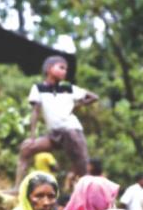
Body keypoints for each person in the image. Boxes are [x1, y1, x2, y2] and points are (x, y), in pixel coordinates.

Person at [8, 55, 98, 194]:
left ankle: (89, 194)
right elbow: (35, 112)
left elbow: (93, 97)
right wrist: (32, 137)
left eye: (66, 69)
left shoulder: (68, 88)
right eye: (61, 68)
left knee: (82, 166)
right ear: (49, 69)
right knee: (26, 148)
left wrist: (78, 105)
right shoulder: (38, 88)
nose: (64, 71)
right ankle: (17, 188)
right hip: (54, 134)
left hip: (72, 131)